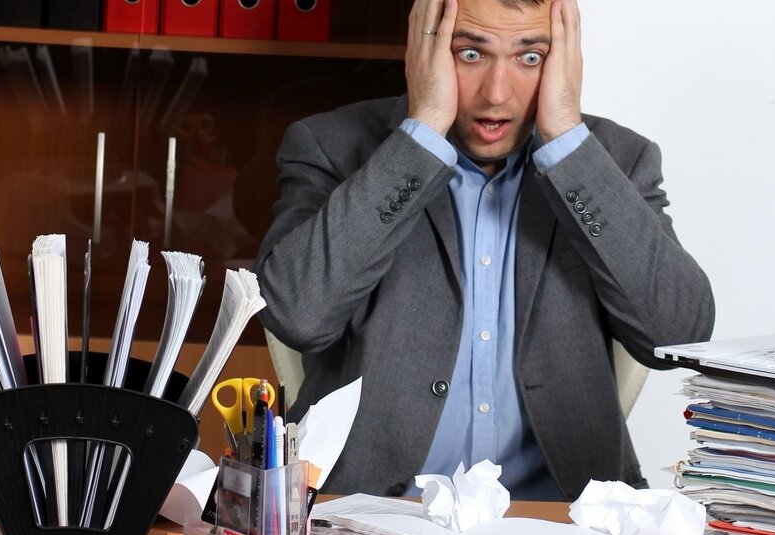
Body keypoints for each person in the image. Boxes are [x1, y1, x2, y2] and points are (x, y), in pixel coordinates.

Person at [255, 0, 715, 501]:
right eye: (470, 54)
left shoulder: (615, 160)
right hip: (371, 515)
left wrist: (565, 141)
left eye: (530, 57)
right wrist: (423, 132)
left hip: (566, 516)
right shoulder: (329, 144)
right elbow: (296, 315)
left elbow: (677, 338)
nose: (497, 94)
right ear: (424, 45)